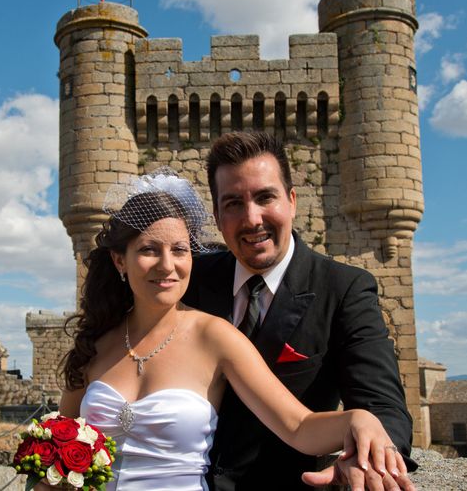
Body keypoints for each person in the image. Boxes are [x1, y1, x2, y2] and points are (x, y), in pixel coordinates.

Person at [56, 170, 408, 491]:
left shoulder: (216, 336)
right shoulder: (96, 343)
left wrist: (358, 420)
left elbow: (298, 426)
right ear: (120, 259)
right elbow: (61, 437)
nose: (167, 266)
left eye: (179, 250)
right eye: (149, 250)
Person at [181, 131, 416, 491]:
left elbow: (382, 405)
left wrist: (362, 459)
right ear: (216, 214)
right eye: (233, 204)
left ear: (291, 201)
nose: (251, 219)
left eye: (265, 197)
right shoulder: (191, 280)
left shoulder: (343, 289)